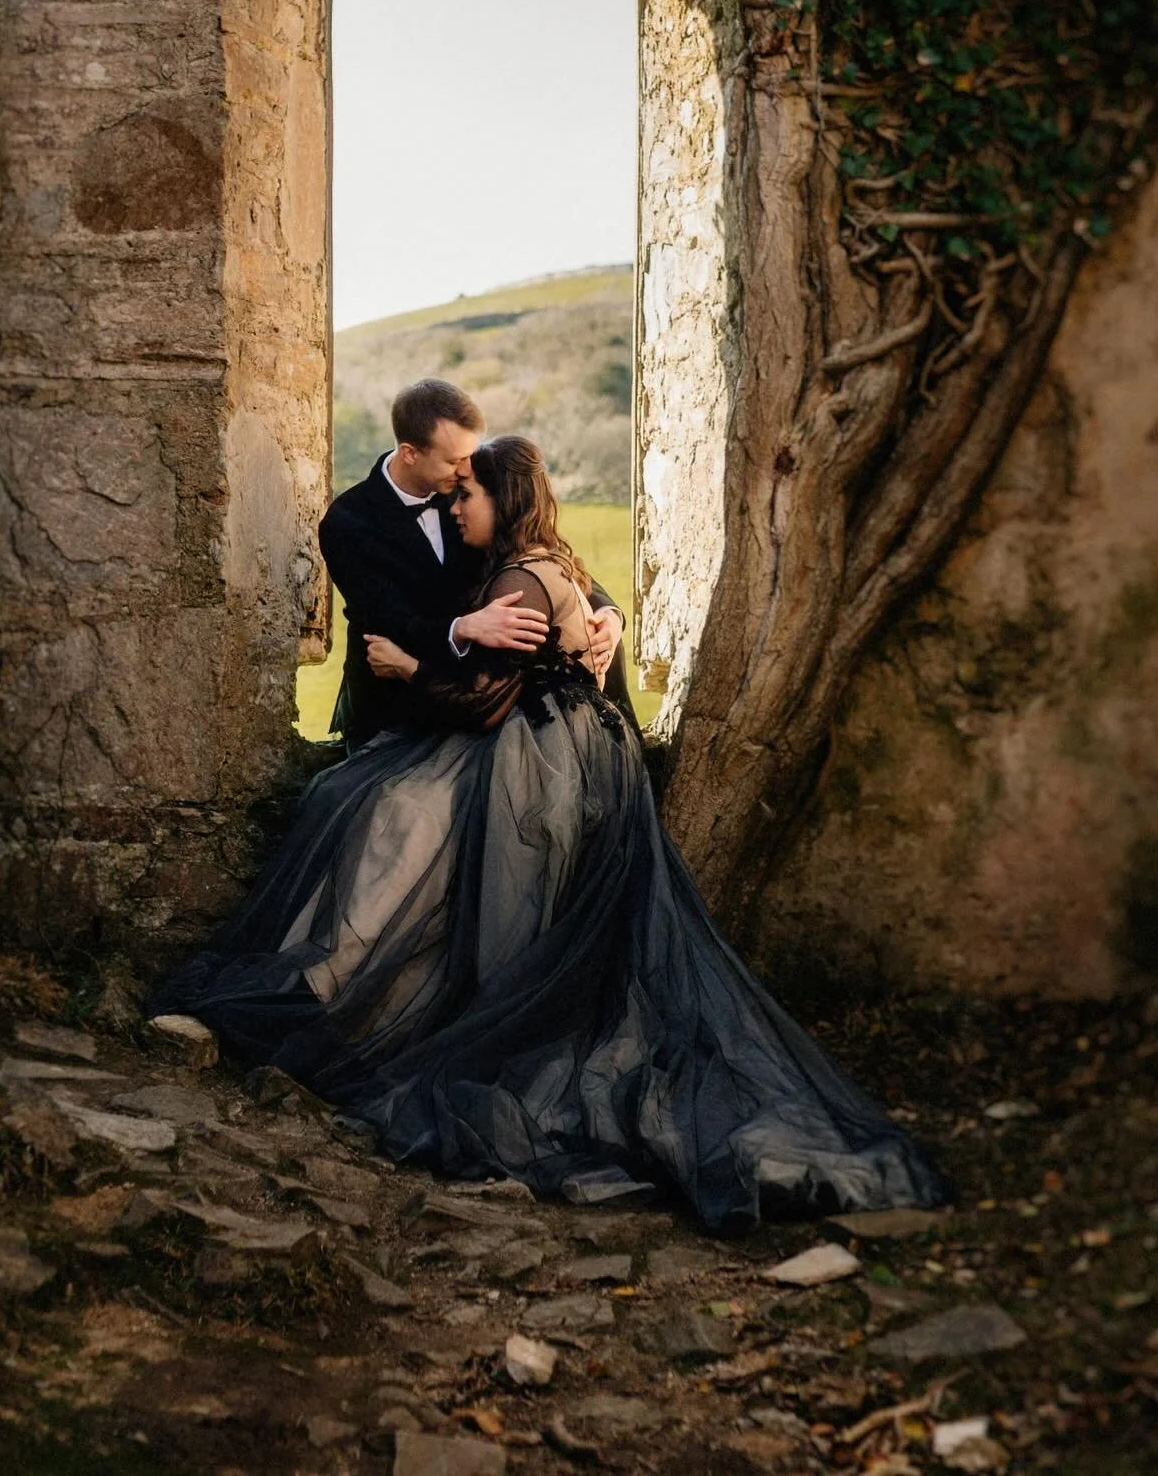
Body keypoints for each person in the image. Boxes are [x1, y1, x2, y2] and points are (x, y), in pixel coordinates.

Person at [149, 435, 945, 1231]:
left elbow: (487, 701)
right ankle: (341, 976)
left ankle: (352, 989)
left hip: (543, 755)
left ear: (505, 501)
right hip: (546, 741)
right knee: (373, 803)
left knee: (402, 814)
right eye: (453, 493)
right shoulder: (414, 537)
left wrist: (414, 668)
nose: (456, 507)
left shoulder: (522, 577)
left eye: (469, 497)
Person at [318, 377, 632, 751]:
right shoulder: (346, 523)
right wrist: (463, 627)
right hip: (395, 704)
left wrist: (608, 612)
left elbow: (535, 549)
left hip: (477, 693)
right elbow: (389, 622)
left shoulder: (466, 494)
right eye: (454, 460)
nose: (466, 467)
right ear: (409, 453)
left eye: (469, 453)